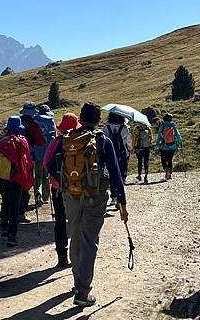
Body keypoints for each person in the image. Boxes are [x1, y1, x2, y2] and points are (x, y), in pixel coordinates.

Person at [47, 103, 128, 307]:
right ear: (98, 120)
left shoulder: (64, 140)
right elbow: (116, 174)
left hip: (70, 196)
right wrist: (121, 202)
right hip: (95, 195)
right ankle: (82, 291)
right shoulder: (102, 140)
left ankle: (77, 281)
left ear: (80, 118)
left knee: (75, 235)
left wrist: (64, 183)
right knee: (89, 240)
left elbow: (49, 164)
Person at [0, 116, 34, 247]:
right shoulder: (22, 141)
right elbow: (27, 160)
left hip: (1, 178)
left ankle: (4, 225)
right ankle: (12, 235)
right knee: (14, 205)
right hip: (16, 178)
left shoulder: (0, 142)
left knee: (5, 200)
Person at [43, 112, 81, 268]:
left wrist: (56, 179)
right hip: (76, 188)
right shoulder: (80, 142)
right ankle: (77, 256)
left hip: (58, 188)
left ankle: (62, 256)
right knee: (77, 221)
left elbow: (46, 163)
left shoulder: (55, 142)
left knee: (60, 221)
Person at [19, 101, 45, 220]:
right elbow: (41, 142)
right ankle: (20, 213)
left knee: (15, 183)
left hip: (13, 158)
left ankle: (11, 213)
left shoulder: (18, 122)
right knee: (26, 184)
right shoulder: (33, 125)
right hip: (28, 158)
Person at [33, 104, 56, 206]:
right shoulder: (51, 121)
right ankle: (45, 197)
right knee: (46, 176)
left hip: (37, 152)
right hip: (48, 153)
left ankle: (38, 192)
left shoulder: (35, 121)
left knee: (37, 176)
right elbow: (54, 137)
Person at [103, 111, 132, 187]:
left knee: (112, 168)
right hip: (123, 152)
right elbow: (128, 141)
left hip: (110, 152)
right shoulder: (124, 128)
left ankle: (112, 182)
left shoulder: (106, 127)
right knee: (123, 166)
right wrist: (130, 149)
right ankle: (122, 180)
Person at [156, 113, 182, 180]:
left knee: (163, 160)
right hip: (172, 146)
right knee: (170, 159)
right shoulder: (173, 126)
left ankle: (166, 169)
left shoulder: (162, 126)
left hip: (164, 146)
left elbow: (159, 136)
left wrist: (158, 144)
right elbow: (178, 136)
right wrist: (178, 143)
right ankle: (169, 173)